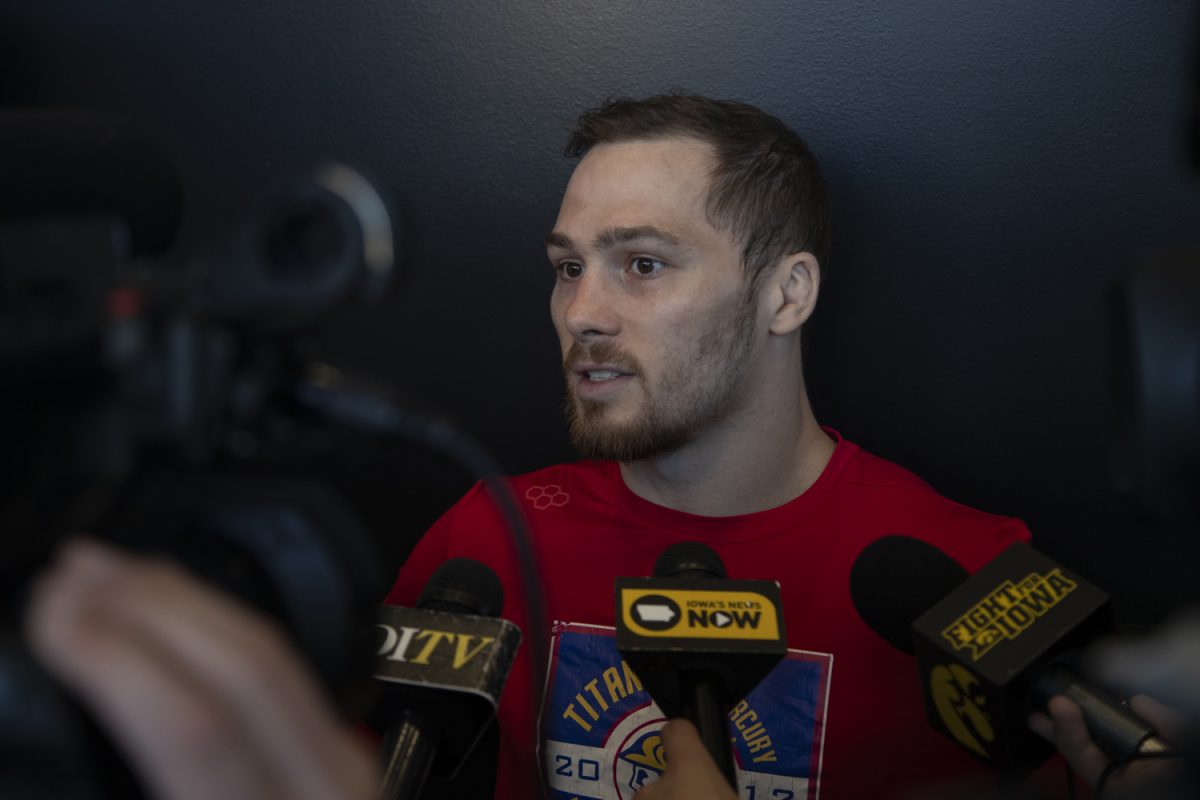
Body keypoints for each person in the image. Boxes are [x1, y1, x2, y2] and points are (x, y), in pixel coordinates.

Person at [387, 93, 1034, 799]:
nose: (581, 314)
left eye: (643, 264)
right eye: (569, 267)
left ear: (786, 295)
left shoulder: (969, 582)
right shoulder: (486, 539)